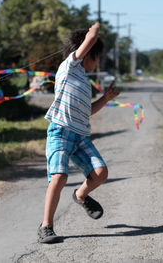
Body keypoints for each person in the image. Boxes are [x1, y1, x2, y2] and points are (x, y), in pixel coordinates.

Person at [38, 22, 120, 244]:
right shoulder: (69, 67)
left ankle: (80, 195)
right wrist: (95, 28)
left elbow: (87, 111)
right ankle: (46, 226)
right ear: (84, 53)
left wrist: (105, 99)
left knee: (101, 172)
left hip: (80, 135)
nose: (98, 61)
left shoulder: (85, 80)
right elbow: (91, 39)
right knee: (59, 177)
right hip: (60, 132)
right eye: (96, 56)